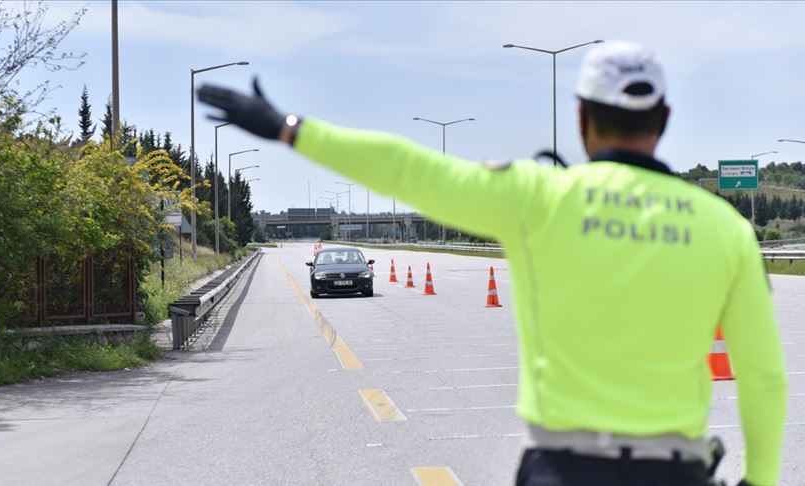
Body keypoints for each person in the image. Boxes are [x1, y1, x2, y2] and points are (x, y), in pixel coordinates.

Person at [198, 41, 787, 486]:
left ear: (582, 118)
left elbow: (411, 170)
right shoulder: (726, 230)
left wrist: (289, 129)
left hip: (563, 469)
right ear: (663, 121)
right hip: (675, 472)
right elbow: (763, 377)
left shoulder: (541, 198)